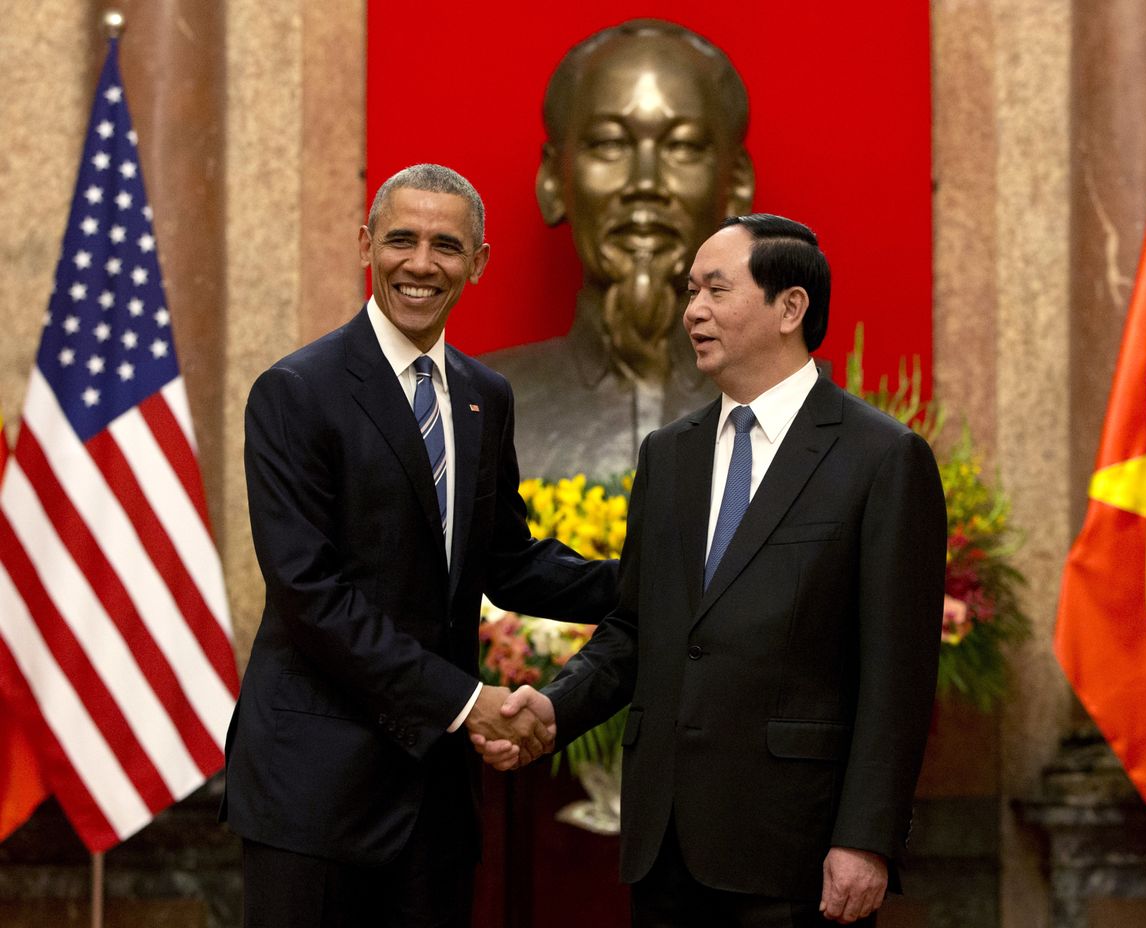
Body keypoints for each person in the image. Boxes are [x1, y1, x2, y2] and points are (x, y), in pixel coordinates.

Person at [480, 215, 946, 925]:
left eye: (715, 290)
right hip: (664, 849)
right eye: (690, 290)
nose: (691, 310)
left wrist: (866, 840)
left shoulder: (881, 458)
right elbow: (637, 627)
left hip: (795, 850)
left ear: (789, 307)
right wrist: (554, 706)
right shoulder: (669, 455)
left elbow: (898, 676)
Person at [221, 164, 618, 928]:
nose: (421, 263)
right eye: (401, 240)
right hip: (314, 794)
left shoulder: (485, 395)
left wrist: (655, 577)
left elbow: (507, 560)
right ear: (367, 246)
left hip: (433, 801)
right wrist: (469, 703)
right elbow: (311, 595)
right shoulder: (297, 391)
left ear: (478, 262)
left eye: (446, 245)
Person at [481, 19, 755, 480]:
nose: (644, 184)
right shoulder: (478, 411)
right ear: (552, 181)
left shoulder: (809, 407)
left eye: (683, 147)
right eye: (609, 144)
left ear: (737, 185)